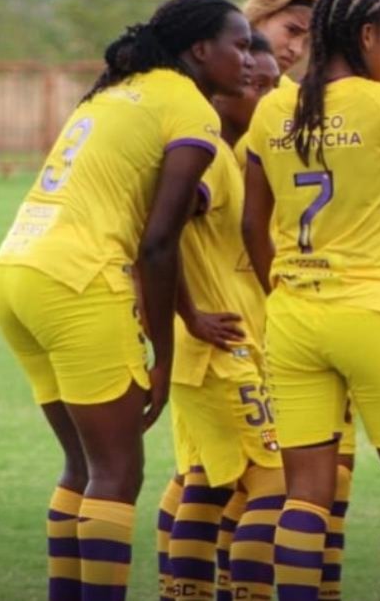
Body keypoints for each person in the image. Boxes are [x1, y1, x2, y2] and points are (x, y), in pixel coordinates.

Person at [0, 0, 251, 601]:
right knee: (118, 472)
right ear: (199, 49)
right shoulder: (190, 108)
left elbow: (160, 228)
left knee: (82, 467)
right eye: (238, 44)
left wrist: (185, 312)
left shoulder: (118, 90)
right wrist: (162, 357)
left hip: (16, 270)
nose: (247, 57)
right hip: (78, 282)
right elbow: (158, 243)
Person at [242, 0, 380, 601]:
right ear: (365, 36)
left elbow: (253, 223)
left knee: (305, 492)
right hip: (376, 308)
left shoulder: (272, 109)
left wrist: (284, 284)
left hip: (295, 317)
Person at [155, 30, 282, 601]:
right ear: (224, 86)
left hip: (229, 344)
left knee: (205, 486)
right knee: (274, 484)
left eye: (278, 88)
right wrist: (191, 314)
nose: (270, 98)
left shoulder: (237, 155)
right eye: (259, 85)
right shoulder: (205, 158)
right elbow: (158, 230)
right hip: (217, 349)